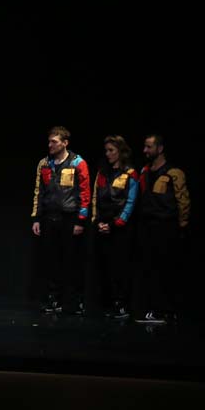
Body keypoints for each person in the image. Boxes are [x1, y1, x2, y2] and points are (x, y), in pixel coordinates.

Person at [31, 125, 91, 314]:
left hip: (70, 217)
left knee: (72, 261)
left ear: (65, 143)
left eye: (54, 141)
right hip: (50, 217)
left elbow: (85, 192)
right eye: (49, 141)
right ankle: (54, 299)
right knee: (51, 261)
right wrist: (37, 218)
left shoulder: (77, 162)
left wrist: (81, 220)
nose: (50, 145)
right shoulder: (44, 164)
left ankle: (77, 301)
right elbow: (39, 192)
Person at [134, 133, 191, 325]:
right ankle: (153, 309)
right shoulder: (145, 171)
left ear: (160, 149)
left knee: (165, 270)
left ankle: (167, 311)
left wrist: (182, 226)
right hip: (147, 226)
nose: (145, 150)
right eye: (145, 146)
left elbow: (183, 202)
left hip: (166, 227)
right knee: (149, 269)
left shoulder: (174, 173)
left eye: (149, 146)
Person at [91, 135, 139, 320]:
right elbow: (96, 197)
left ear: (120, 151)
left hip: (120, 228)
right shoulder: (103, 173)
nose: (108, 154)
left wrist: (116, 223)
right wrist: (97, 221)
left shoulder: (130, 173)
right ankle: (108, 303)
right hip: (103, 225)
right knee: (105, 267)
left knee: (120, 267)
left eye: (111, 150)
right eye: (106, 150)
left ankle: (121, 305)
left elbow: (131, 201)